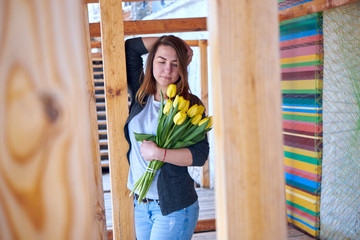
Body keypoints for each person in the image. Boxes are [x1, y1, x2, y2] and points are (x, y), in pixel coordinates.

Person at [124, 36, 210, 240]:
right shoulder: (140, 94)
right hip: (140, 205)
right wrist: (178, 44)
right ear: (151, 61)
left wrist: (159, 153)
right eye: (161, 61)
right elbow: (130, 48)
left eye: (175, 64)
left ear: (183, 68)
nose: (167, 70)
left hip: (174, 207)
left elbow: (200, 155)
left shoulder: (189, 104)